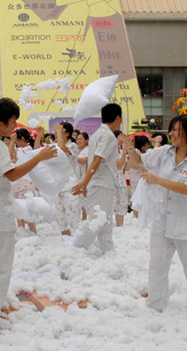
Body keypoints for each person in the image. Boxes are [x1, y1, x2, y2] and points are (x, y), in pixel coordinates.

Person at [0, 98, 57, 331]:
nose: (14, 126)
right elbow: (12, 174)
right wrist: (39, 157)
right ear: (1, 122)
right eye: (12, 121)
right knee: (0, 267)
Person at [128, 115, 187, 311]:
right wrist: (129, 147)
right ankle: (155, 305)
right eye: (171, 129)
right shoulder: (166, 152)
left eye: (176, 130)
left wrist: (158, 180)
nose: (171, 134)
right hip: (163, 221)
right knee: (157, 265)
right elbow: (140, 161)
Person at [71, 103, 122, 254]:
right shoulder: (108, 136)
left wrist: (87, 182)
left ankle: (108, 251)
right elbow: (97, 159)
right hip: (101, 184)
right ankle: (76, 249)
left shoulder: (97, 135)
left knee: (104, 222)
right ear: (118, 117)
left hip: (100, 183)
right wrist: (85, 182)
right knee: (97, 220)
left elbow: (92, 160)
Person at [54, 121, 80, 237]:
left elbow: (62, 148)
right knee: (60, 216)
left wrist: (59, 132)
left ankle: (75, 241)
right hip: (58, 185)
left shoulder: (73, 146)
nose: (56, 133)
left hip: (71, 185)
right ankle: (65, 241)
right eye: (56, 131)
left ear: (67, 133)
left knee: (72, 216)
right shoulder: (54, 146)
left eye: (61, 131)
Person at [12, 128, 38, 233]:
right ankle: (21, 230)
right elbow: (10, 157)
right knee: (18, 210)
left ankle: (33, 232)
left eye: (16, 139)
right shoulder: (16, 150)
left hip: (27, 184)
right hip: (16, 184)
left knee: (27, 210)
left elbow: (37, 152)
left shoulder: (28, 149)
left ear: (22, 138)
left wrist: (39, 135)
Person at [113, 130, 129, 227]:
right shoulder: (111, 150)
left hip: (121, 179)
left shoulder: (122, 151)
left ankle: (120, 225)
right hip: (113, 178)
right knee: (111, 204)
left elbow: (127, 167)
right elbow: (118, 165)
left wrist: (129, 152)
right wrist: (125, 151)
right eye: (121, 136)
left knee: (122, 203)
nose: (124, 137)